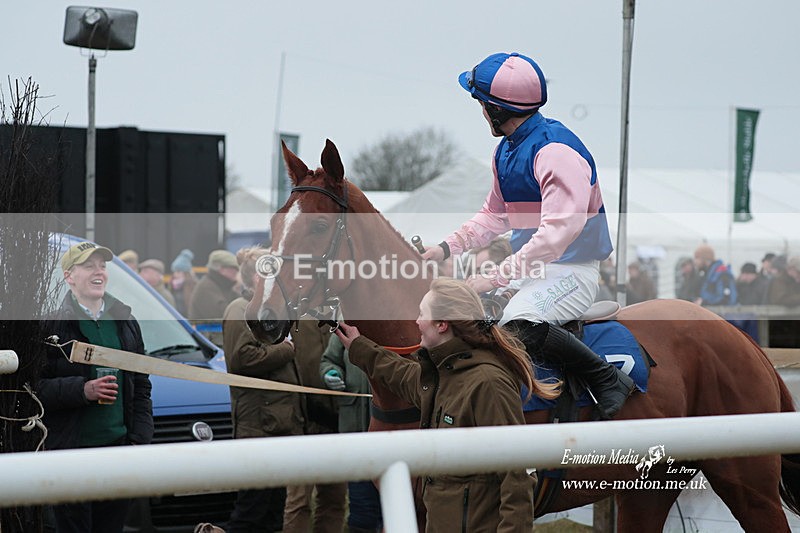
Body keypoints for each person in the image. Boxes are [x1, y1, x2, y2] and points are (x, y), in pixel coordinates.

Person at [421, 51, 633, 419]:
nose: (482, 112)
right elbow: (493, 215)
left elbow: (557, 235)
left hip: (572, 271)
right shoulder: (505, 151)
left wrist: (494, 277)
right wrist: (444, 248)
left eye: (482, 104)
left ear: (497, 110)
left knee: (518, 322)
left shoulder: (555, 151)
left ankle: (606, 378)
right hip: (534, 270)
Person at [335, 278, 559, 532]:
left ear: (442, 324)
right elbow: (401, 374)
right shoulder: (445, 373)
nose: (417, 322)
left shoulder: (487, 383)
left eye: (422, 314)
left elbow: (517, 476)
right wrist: (358, 346)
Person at [38, 242, 153, 533]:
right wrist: (82, 390)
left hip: (118, 452)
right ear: (69, 277)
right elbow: (33, 390)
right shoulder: (49, 325)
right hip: (70, 455)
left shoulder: (126, 321)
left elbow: (141, 385)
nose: (98, 271)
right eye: (88, 266)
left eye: (102, 265)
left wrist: (139, 439)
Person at [223, 247, 305, 533]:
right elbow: (241, 358)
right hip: (258, 428)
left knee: (272, 514)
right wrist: (286, 349)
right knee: (250, 514)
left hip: (277, 426)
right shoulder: (238, 309)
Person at [282, 320, 347, 533]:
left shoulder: (336, 311)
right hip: (303, 419)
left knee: (334, 498)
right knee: (299, 500)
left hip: (335, 418)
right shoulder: (289, 314)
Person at [319, 334, 382, 533]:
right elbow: (328, 360)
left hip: (389, 432)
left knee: (394, 507)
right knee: (361, 512)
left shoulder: (393, 317)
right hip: (355, 431)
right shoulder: (344, 322)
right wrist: (330, 372)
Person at [189, 250, 240, 345]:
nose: (236, 272)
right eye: (233, 268)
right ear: (221, 269)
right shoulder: (206, 288)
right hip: (209, 343)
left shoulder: (224, 286)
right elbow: (223, 313)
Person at [169, 248, 197, 316]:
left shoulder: (193, 286)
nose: (175, 274)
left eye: (178, 271)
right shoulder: (172, 285)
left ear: (185, 273)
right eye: (174, 271)